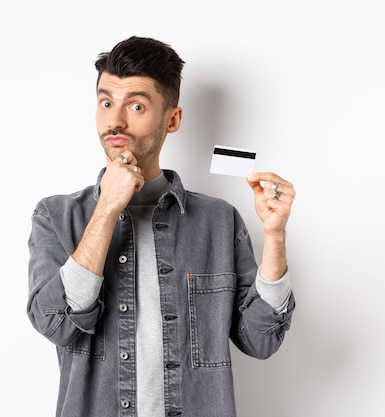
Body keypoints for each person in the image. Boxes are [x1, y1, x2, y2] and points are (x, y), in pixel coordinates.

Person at [27, 35, 296, 417]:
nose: (115, 121)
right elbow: (56, 325)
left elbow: (260, 339)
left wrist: (275, 236)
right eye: (106, 102)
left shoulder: (218, 221)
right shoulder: (56, 216)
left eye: (136, 105)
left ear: (172, 119)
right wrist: (106, 208)